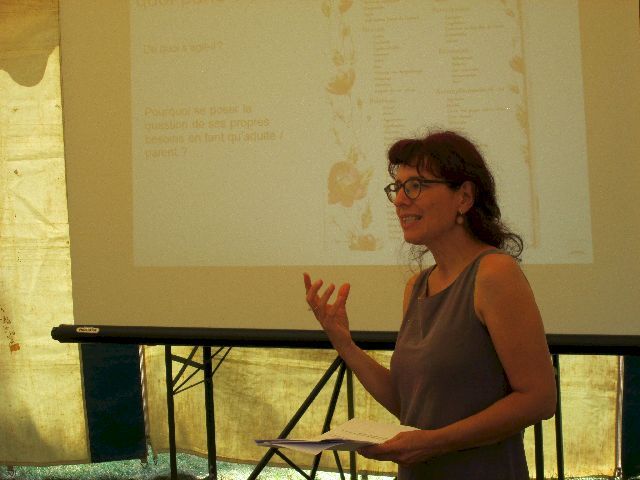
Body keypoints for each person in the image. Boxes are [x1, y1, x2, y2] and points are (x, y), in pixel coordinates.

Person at [303, 130, 556, 479]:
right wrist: (344, 343)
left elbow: (539, 398)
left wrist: (433, 443)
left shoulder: (494, 273)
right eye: (398, 187)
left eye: (416, 186)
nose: (400, 200)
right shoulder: (416, 287)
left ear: (464, 197)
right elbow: (410, 403)